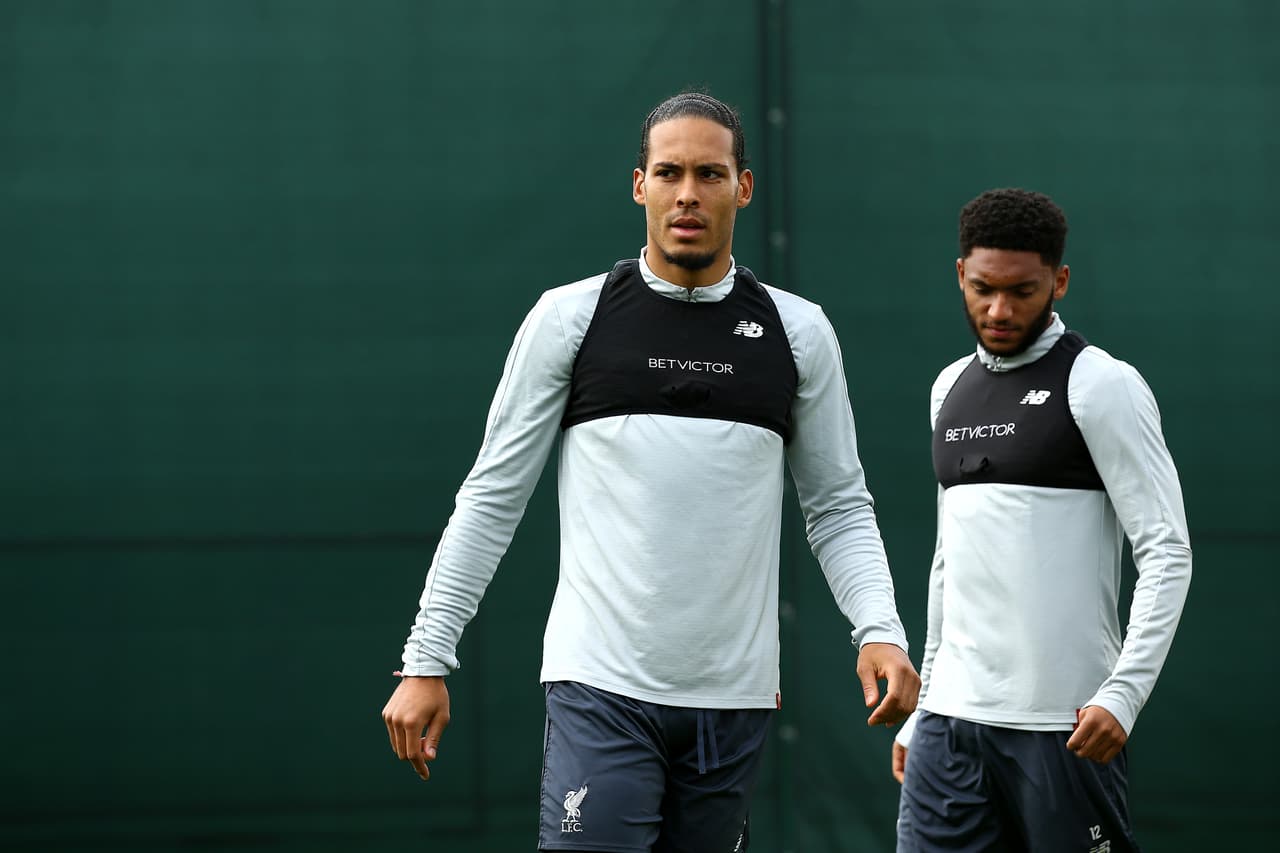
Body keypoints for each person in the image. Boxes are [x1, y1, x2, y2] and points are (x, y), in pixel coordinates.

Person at [381, 91, 920, 853]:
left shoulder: (798, 332)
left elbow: (836, 504)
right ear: (640, 185)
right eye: (669, 173)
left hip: (734, 701)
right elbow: (492, 497)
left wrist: (881, 631)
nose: (688, 194)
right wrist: (425, 658)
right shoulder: (570, 317)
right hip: (599, 685)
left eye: (709, 173)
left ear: (744, 187)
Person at [891, 188, 1193, 852]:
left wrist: (1124, 695)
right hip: (949, 727)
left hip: (1065, 729)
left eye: (1022, 291)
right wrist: (926, 709)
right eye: (982, 288)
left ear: (1058, 281)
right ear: (960, 275)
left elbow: (1167, 549)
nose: (999, 309)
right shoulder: (948, 387)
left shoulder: (1101, 385)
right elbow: (953, 564)